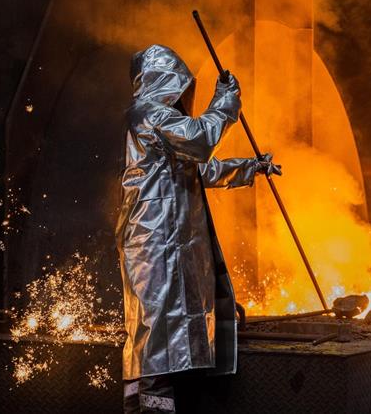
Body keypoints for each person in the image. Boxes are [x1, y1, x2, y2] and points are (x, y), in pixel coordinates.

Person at [116, 45, 280, 413]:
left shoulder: (162, 126)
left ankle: (158, 406)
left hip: (170, 242)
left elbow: (203, 169)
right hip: (153, 242)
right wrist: (224, 102)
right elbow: (202, 139)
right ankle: (145, 410)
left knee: (168, 333)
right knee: (155, 333)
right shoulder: (146, 113)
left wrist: (252, 167)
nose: (183, 95)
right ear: (164, 82)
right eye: (180, 86)